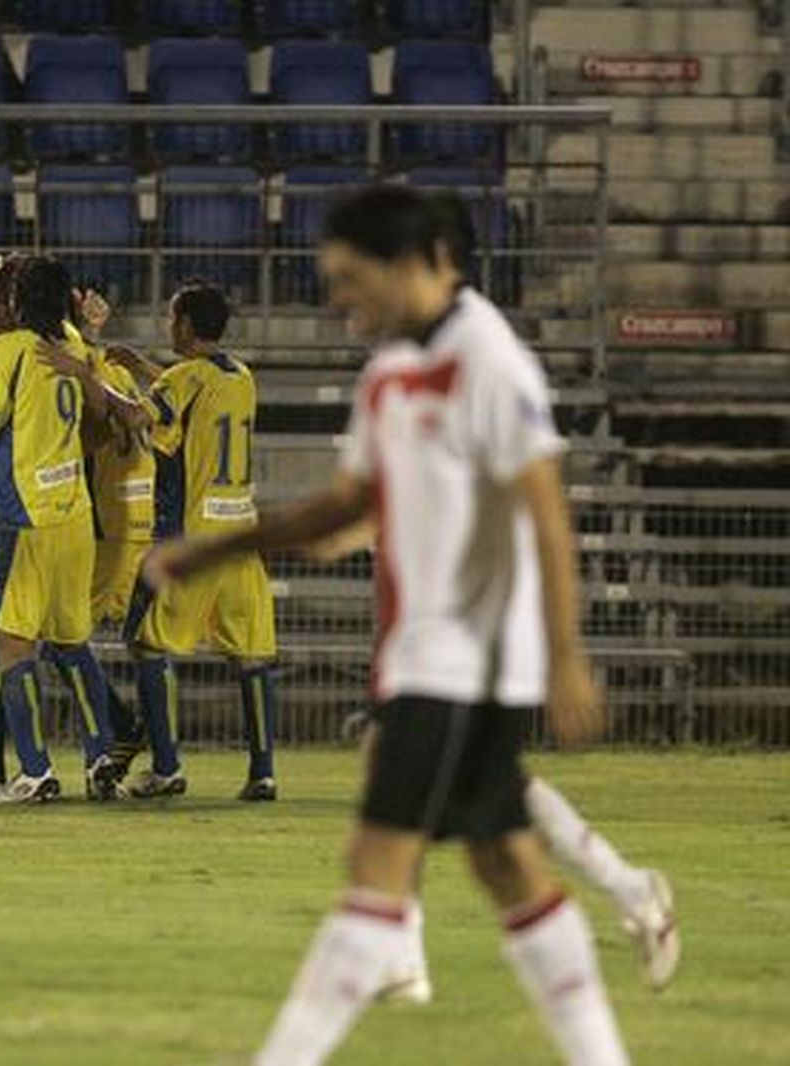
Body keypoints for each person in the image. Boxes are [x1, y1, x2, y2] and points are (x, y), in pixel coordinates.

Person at [145, 185, 632, 1064]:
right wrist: (216, 549)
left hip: (460, 660)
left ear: (412, 264)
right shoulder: (391, 369)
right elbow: (350, 503)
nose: (338, 300)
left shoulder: (489, 361)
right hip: (429, 656)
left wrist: (565, 657)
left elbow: (547, 514)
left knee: (376, 871)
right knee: (507, 866)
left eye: (348, 279)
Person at [368, 190, 679, 1001]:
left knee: (409, 768)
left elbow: (533, 493)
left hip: (478, 610)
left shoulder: (484, 350)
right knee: (490, 786)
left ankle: (403, 958)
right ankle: (628, 888)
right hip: (452, 601)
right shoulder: (431, 344)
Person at [0, 256, 146, 803]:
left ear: (14, 299)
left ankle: (34, 770)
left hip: (24, 517)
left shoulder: (6, 352)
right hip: (74, 514)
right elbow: (102, 414)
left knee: (13, 647)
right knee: (72, 641)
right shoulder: (72, 347)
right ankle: (99, 757)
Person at [121, 281, 279, 800]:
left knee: (148, 645)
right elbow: (188, 399)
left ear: (185, 324)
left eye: (172, 318)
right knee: (250, 656)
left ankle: (166, 768)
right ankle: (263, 773)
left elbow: (143, 417)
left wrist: (93, 379)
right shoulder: (240, 376)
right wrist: (144, 369)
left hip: (193, 538)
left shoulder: (184, 375)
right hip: (240, 533)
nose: (170, 327)